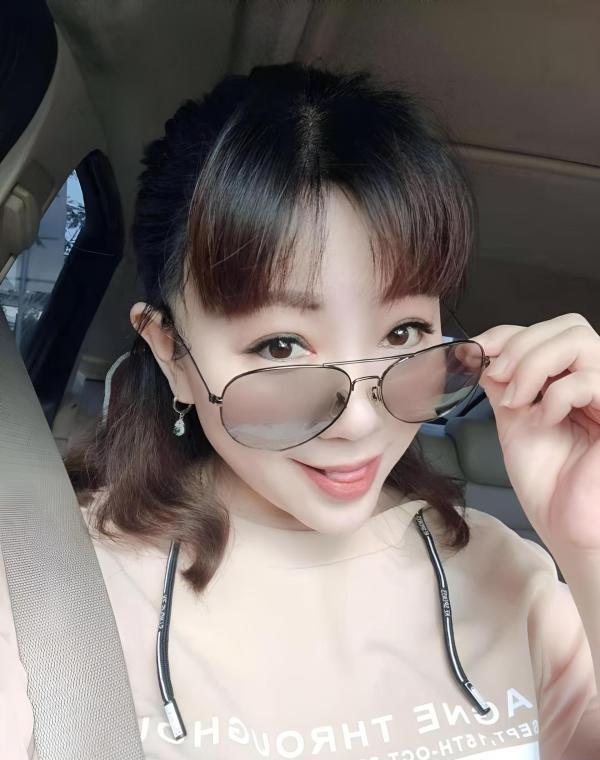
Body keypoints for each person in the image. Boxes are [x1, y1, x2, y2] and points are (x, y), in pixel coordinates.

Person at [2, 61, 600, 759]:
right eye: (281, 347)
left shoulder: (511, 573)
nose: (360, 423)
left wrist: (591, 546)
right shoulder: (49, 589)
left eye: (404, 333)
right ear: (170, 353)